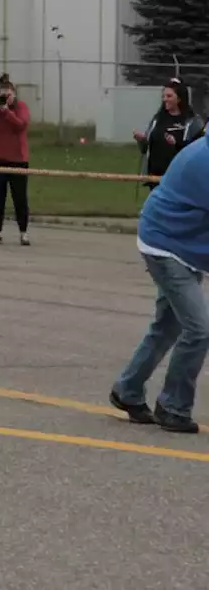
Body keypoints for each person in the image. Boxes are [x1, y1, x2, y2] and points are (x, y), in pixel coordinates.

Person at [108, 132, 209, 434]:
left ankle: (127, 390)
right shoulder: (203, 159)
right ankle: (173, 407)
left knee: (168, 327)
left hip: (183, 246)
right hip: (165, 244)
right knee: (199, 329)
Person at [0, 77, 32, 245]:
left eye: (8, 95)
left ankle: (23, 233)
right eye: (2, 95)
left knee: (19, 197)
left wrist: (6, 110)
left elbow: (20, 125)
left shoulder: (21, 107)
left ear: (14, 94)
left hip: (18, 160)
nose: (5, 99)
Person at [134, 78, 205, 189]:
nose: (165, 99)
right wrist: (141, 140)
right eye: (163, 96)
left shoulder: (193, 121)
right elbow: (145, 149)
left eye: (169, 96)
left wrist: (176, 144)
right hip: (155, 177)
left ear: (179, 98)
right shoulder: (157, 119)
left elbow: (200, 149)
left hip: (180, 177)